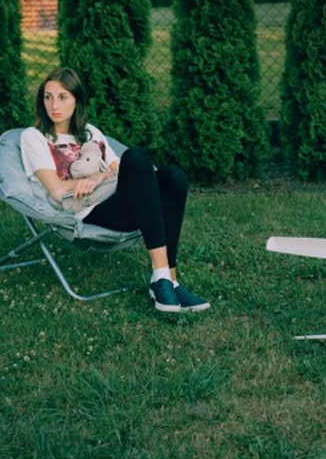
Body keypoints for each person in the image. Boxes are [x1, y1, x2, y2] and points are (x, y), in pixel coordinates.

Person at [20, 67, 209, 314]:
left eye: (63, 96)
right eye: (48, 96)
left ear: (77, 100)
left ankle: (169, 279)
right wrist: (90, 182)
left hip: (124, 202)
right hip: (89, 210)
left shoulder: (91, 133)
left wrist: (99, 176)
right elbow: (55, 189)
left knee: (173, 176)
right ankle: (163, 279)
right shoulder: (34, 137)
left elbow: (120, 172)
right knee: (137, 157)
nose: (54, 104)